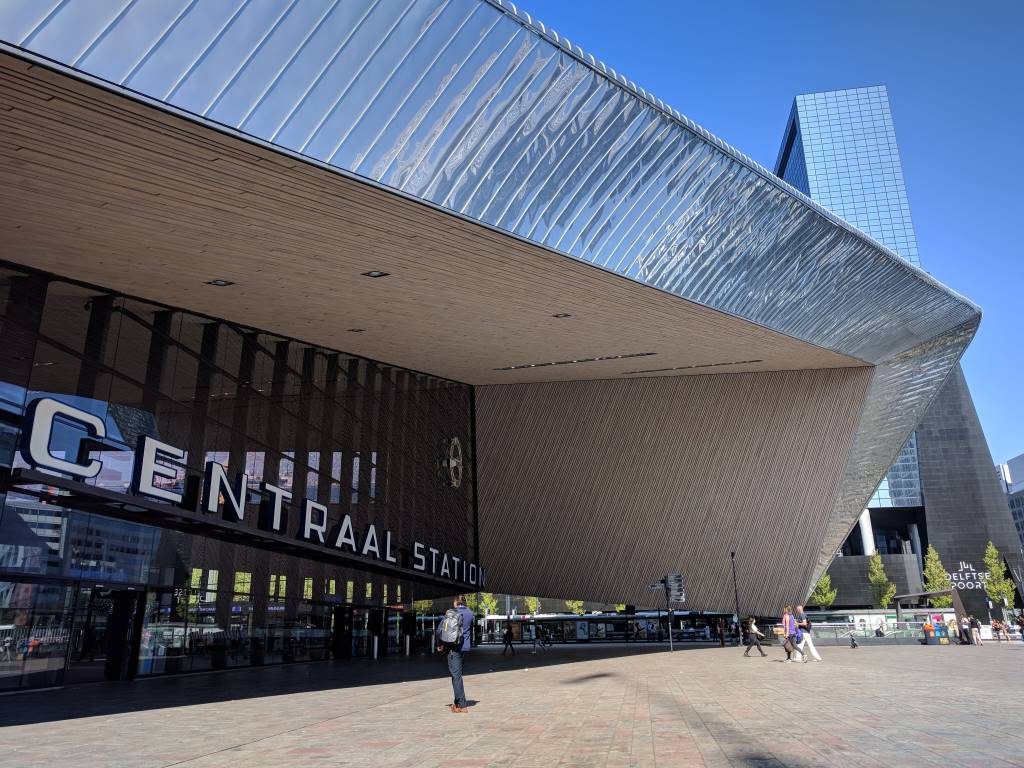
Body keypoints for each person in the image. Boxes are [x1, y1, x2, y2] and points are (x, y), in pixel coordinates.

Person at [435, 596, 475, 713]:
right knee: (457, 674)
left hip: (454, 648)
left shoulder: (452, 613)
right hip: (465, 647)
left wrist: (439, 644)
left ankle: (462, 706)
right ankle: (457, 703)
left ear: (456, 602)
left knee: (456, 676)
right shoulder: (469, 613)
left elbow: (439, 630)